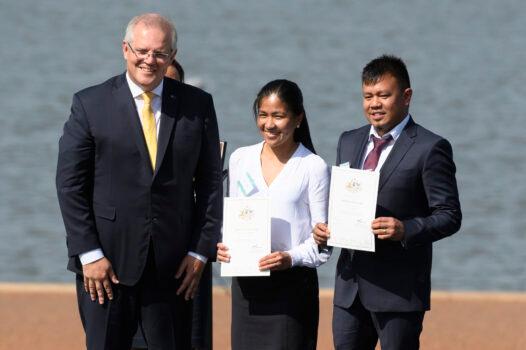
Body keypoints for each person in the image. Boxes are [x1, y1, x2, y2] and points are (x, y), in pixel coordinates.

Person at [56, 13, 222, 349]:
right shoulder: (90, 104)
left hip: (174, 268)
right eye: (141, 51)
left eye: (160, 53)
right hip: (105, 268)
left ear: (172, 56)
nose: (149, 60)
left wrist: (200, 251)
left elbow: (210, 183)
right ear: (125, 49)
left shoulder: (197, 104)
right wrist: (89, 254)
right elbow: (70, 184)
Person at [313, 55, 462, 350]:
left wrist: (405, 229)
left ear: (406, 96)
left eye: (384, 95)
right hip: (349, 288)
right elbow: (342, 200)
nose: (374, 104)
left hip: (399, 290)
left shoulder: (430, 147)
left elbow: (449, 215)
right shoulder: (349, 140)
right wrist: (325, 229)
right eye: (368, 96)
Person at [217, 79, 331, 350]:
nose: (269, 124)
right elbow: (232, 219)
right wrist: (221, 244)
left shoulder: (313, 166)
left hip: (292, 289)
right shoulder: (240, 159)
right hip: (246, 286)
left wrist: (289, 258)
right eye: (263, 114)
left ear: (298, 118)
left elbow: (323, 246)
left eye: (278, 116)